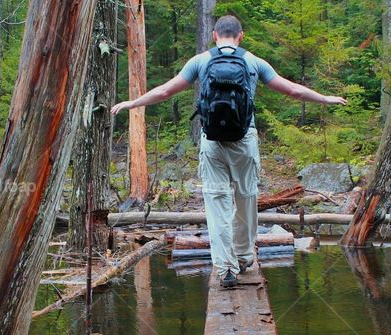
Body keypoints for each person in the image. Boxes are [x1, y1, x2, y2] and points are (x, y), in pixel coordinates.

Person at [111, 15, 347, 288]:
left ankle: (225, 268)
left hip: (212, 142)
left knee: (217, 204)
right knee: (246, 199)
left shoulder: (200, 61)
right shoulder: (253, 61)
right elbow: (292, 90)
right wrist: (324, 98)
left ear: (214, 36)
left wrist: (133, 102)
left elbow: (165, 92)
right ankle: (245, 257)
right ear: (240, 36)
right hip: (244, 140)